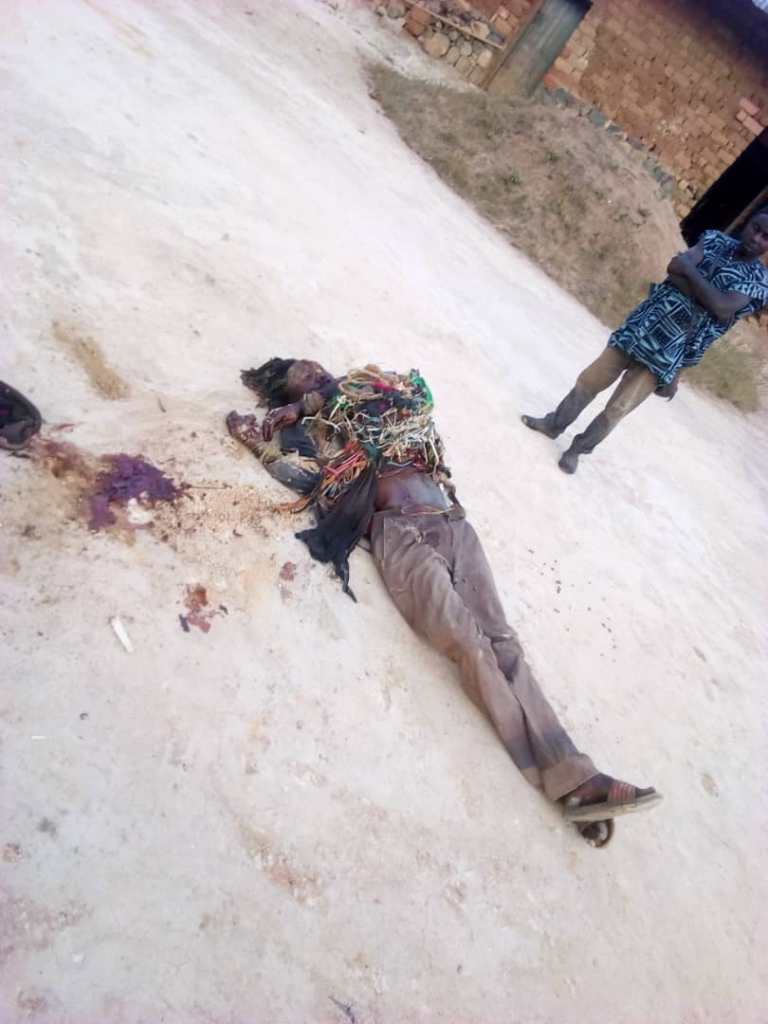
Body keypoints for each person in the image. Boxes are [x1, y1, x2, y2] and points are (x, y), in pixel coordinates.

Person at [227, 358, 662, 847]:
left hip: (452, 523)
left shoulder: (376, 398)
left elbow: (415, 398)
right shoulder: (313, 430)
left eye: (313, 368)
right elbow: (304, 477)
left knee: (504, 644)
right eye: (301, 378)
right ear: (288, 396)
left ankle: (576, 778)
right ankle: (575, 784)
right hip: (399, 532)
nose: (314, 374)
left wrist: (321, 398)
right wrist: (263, 437)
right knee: (469, 644)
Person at [522, 210, 768, 473]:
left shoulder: (759, 282)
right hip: (643, 324)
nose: (757, 238)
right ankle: (554, 424)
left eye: (766, 237)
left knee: (618, 408)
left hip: (672, 350)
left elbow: (721, 307)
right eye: (756, 228)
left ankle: (577, 450)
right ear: (747, 223)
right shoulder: (713, 240)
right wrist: (705, 294)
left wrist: (690, 273)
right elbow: (674, 269)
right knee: (590, 380)